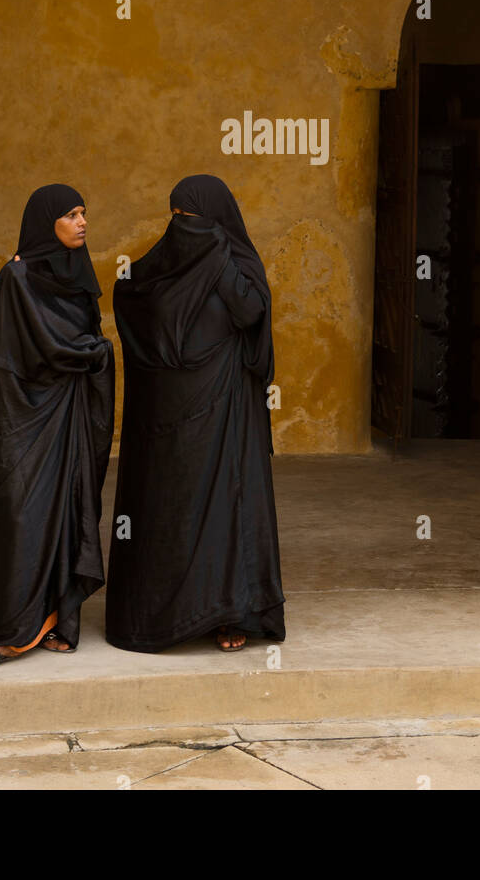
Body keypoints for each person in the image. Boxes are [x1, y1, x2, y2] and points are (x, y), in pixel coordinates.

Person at [106, 174, 285, 653]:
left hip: (226, 413)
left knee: (228, 510)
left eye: (194, 219)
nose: (184, 228)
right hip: (169, 424)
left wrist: (218, 257)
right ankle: (167, 614)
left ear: (218, 221)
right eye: (178, 219)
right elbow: (130, 295)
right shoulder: (162, 265)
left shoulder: (234, 261)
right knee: (173, 511)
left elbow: (250, 312)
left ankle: (232, 612)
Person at [0, 184, 115, 673]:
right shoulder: (16, 279)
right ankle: (6, 633)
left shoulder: (79, 279)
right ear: (46, 222)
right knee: (20, 519)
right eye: (71, 215)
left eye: (84, 213)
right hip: (22, 425)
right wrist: (91, 354)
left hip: (68, 420)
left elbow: (82, 341)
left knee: (69, 512)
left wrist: (94, 354)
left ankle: (57, 621)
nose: (82, 223)